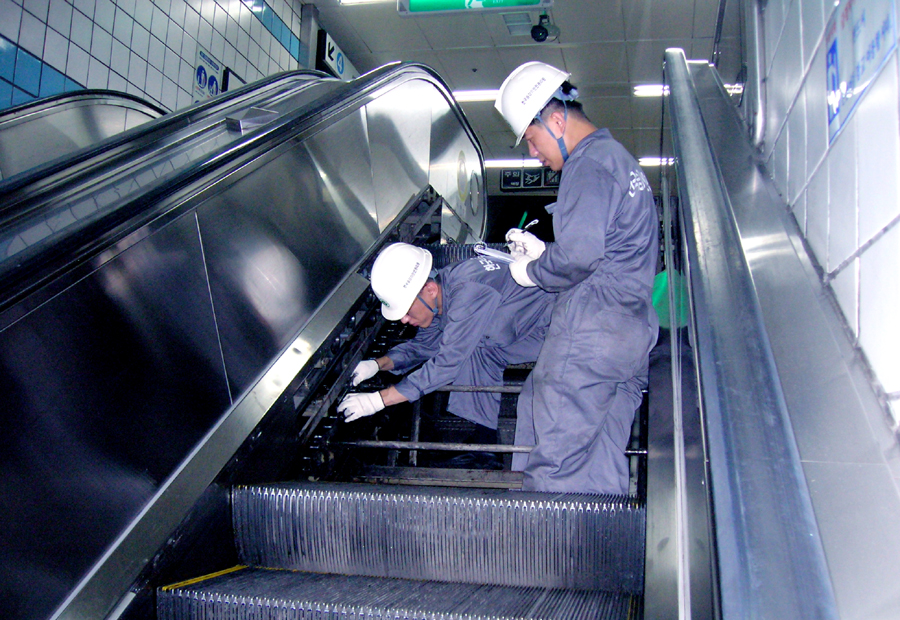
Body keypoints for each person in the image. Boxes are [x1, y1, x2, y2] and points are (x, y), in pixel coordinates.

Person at [495, 61, 659, 495]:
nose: (532, 153)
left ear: (555, 119)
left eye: (531, 140)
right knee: (601, 462)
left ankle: (541, 559)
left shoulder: (585, 165)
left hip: (591, 333)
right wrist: (549, 252)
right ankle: (604, 557)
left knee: (554, 464)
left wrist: (532, 271)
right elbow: (608, 251)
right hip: (631, 335)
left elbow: (581, 256)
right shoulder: (620, 162)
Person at [337, 242, 555, 467]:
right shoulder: (441, 295)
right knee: (477, 350)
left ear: (429, 289)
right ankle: (485, 449)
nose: (403, 320)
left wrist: (378, 400)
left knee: (471, 351)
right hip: (523, 328)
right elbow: (423, 346)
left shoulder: (468, 291)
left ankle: (522, 465)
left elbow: (446, 363)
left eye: (406, 310)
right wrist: (375, 365)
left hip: (558, 328)